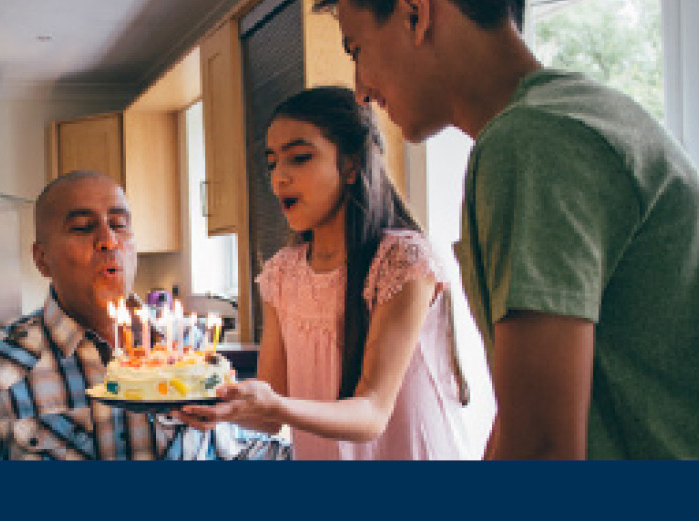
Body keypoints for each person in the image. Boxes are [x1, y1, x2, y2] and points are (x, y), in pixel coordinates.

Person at [315, 0, 699, 459]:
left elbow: (544, 452)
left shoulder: (531, 143)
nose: (360, 88)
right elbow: (522, 419)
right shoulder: (578, 112)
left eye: (357, 50)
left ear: (415, 14)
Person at [177, 86, 481, 460]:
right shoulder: (282, 274)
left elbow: (371, 414)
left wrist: (274, 405)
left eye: (299, 158)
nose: (279, 178)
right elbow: (270, 415)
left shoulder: (402, 260)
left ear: (352, 164)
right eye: (272, 163)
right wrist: (207, 398)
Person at [0, 170, 284, 460]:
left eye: (119, 224)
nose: (108, 240)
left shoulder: (187, 349)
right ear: (42, 259)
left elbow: (236, 452)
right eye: (82, 227)